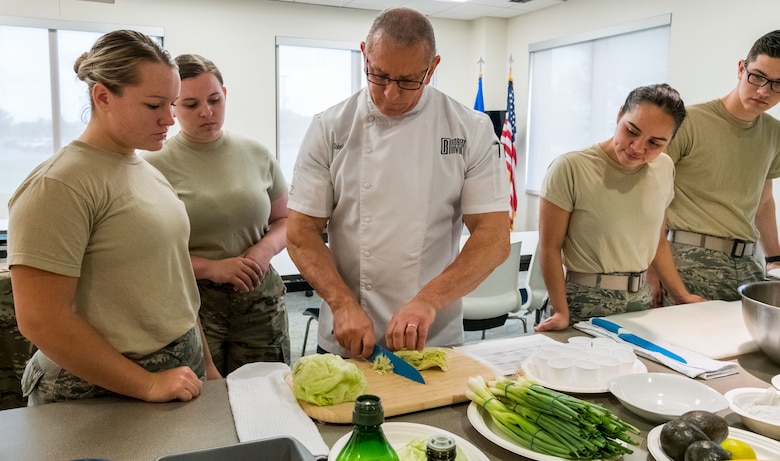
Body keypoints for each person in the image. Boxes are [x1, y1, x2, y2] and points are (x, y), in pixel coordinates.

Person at [8, 30, 219, 406]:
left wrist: (205, 362)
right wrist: (147, 384)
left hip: (176, 368)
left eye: (171, 104)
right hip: (97, 386)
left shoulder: (144, 169)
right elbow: (42, 320)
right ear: (103, 96)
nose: (169, 119)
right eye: (154, 105)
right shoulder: (60, 184)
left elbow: (175, 284)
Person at [286, 7, 511, 359]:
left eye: (408, 80)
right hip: (345, 333)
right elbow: (301, 233)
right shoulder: (329, 128)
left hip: (432, 334)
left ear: (432, 68)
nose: (391, 94)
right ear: (364, 54)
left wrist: (428, 301)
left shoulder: (470, 130)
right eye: (378, 76)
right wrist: (342, 302)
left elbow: (494, 238)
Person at [145, 54, 290, 375]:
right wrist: (212, 267)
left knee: (267, 391)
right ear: (172, 106)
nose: (206, 112)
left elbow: (284, 220)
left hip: (258, 296)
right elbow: (150, 253)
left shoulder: (256, 153)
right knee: (202, 400)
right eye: (191, 104)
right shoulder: (153, 166)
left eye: (214, 100)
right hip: (194, 303)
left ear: (225, 94)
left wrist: (263, 251)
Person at [534, 84, 705, 332]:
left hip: (641, 302)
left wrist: (681, 295)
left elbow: (657, 241)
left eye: (655, 143)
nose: (637, 147)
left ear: (670, 141)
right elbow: (550, 247)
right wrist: (561, 311)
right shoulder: (571, 167)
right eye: (631, 131)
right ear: (619, 115)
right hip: (584, 301)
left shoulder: (664, 167)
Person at [658, 30, 780, 303]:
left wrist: (775, 258)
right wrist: (653, 273)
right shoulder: (688, 122)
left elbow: (763, 201)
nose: (764, 91)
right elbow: (651, 201)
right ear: (741, 68)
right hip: (687, 263)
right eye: (757, 76)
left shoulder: (774, 133)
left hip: (748, 266)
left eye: (777, 84)